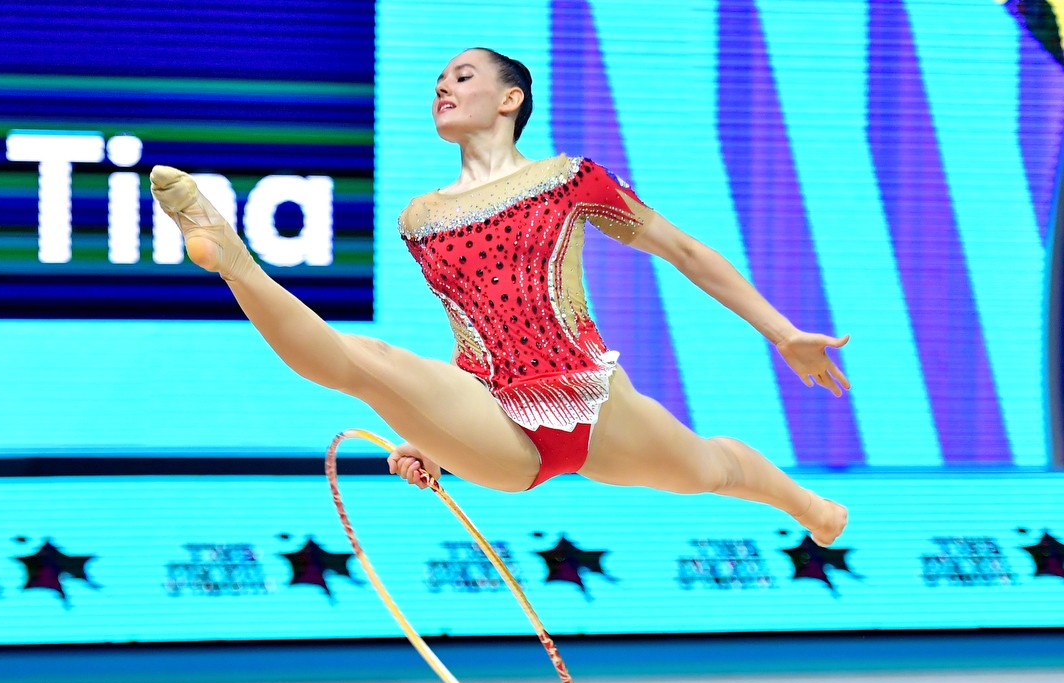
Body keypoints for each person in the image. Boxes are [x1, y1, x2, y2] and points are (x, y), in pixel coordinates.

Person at [150, 48, 849, 545]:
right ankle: (235, 262)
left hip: (594, 403)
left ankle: (811, 508)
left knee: (712, 468)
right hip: (501, 425)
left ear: (510, 99)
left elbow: (686, 252)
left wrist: (783, 332)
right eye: (437, 83)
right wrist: (432, 434)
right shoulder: (420, 217)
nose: (443, 89)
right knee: (368, 363)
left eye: (462, 77)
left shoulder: (568, 178)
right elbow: (469, 332)